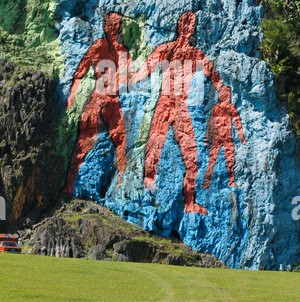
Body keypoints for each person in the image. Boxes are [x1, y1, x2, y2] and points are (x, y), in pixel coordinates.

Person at [131, 11, 223, 214]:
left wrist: (223, 90)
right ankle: (147, 190)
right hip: (165, 102)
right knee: (154, 145)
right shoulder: (165, 49)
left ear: (194, 28)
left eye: (192, 24)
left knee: (192, 156)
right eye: (185, 22)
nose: (188, 27)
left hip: (181, 106)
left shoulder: (196, 54)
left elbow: (215, 77)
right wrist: (127, 80)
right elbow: (146, 68)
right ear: (179, 25)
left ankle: (189, 202)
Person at [61, 13, 131, 195]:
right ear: (105, 26)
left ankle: (121, 181)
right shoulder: (99, 47)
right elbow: (80, 71)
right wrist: (72, 96)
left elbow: (127, 77)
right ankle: (69, 185)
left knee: (121, 139)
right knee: (83, 140)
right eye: (110, 24)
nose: (112, 27)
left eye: (116, 24)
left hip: (111, 100)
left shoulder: (122, 51)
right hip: (100, 99)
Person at [202, 85, 246, 189]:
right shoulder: (218, 108)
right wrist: (206, 139)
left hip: (224, 138)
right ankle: (208, 182)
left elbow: (237, 122)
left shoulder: (229, 107)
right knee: (214, 161)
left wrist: (242, 137)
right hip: (219, 138)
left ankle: (230, 181)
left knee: (228, 160)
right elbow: (211, 124)